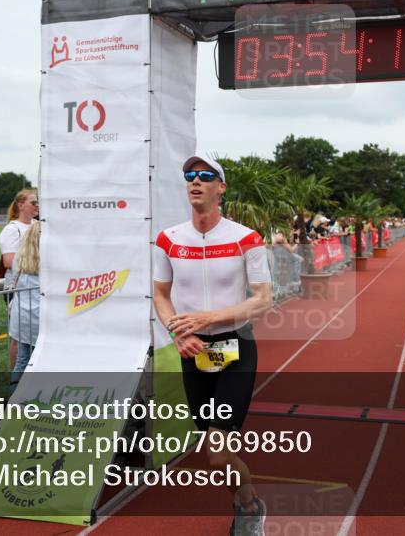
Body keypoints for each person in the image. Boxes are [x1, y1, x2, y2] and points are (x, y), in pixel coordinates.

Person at [152, 155, 272, 536]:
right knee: (214, 448)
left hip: (235, 346)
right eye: (190, 176)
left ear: (221, 188)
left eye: (206, 176)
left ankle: (249, 508)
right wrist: (179, 331)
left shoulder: (245, 238)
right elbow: (159, 293)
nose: (195, 181)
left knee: (217, 454)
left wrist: (207, 318)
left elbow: (263, 299)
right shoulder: (168, 239)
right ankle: (249, 499)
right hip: (193, 351)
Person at [0, 189, 38, 368]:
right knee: (19, 338)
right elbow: (8, 261)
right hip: (18, 288)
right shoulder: (12, 229)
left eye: (38, 203)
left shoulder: (37, 224)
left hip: (35, 289)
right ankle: (15, 374)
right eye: (33, 202)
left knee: (32, 338)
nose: (37, 206)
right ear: (21, 205)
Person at [7, 222, 40, 392]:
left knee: (22, 359)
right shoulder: (47, 262)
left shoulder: (20, 258)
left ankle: (14, 398)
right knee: (39, 361)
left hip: (21, 316)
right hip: (39, 318)